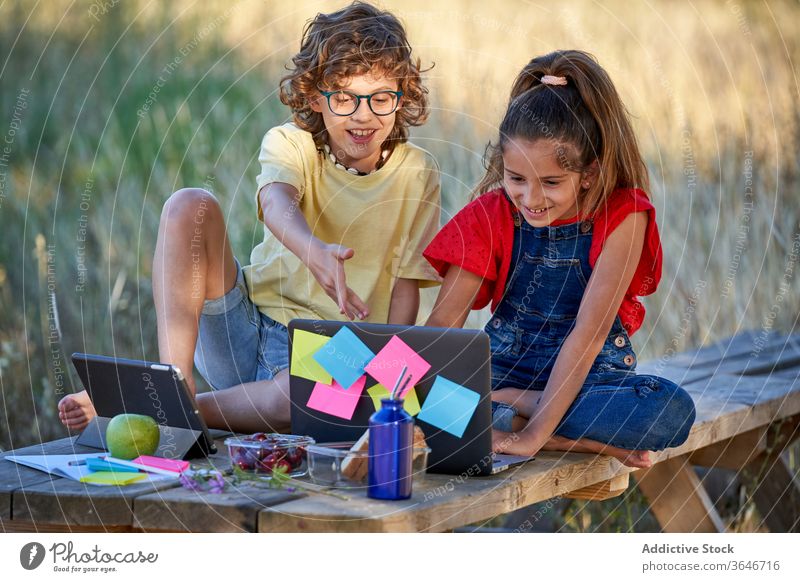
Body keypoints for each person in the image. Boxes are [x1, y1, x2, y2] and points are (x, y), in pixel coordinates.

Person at [58, 1, 441, 434]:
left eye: (381, 98)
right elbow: (278, 202)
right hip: (246, 328)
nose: (363, 115)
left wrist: (386, 386)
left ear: (401, 97)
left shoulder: (417, 172)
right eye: (346, 98)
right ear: (316, 96)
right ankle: (173, 386)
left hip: (333, 357)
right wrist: (312, 251)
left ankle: (160, 410)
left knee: (297, 398)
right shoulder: (291, 143)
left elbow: (406, 290)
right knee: (189, 205)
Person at [423, 50, 695, 468]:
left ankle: (514, 411)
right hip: (502, 370)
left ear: (588, 173)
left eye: (550, 182)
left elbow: (588, 333)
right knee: (409, 398)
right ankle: (584, 440)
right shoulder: (489, 215)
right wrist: (410, 394)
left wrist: (531, 436)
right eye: (516, 179)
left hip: (590, 377)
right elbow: (442, 327)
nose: (530, 200)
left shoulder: (624, 216)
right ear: (503, 164)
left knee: (668, 410)